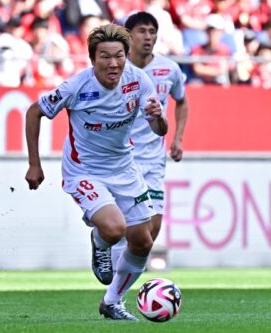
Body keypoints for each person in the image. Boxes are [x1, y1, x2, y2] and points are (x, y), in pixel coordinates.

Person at [25, 23, 168, 321]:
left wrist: (159, 118)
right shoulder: (77, 86)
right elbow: (34, 111)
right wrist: (34, 164)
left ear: (126, 56)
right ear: (92, 59)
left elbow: (158, 129)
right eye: (105, 56)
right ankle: (100, 241)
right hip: (84, 170)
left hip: (124, 168)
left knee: (143, 241)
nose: (113, 63)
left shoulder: (138, 81)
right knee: (115, 229)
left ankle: (112, 302)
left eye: (119, 55)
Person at [110, 12, 188, 268]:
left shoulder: (169, 69)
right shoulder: (116, 70)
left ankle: (121, 272)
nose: (148, 37)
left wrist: (177, 138)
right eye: (142, 31)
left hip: (153, 158)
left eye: (152, 32)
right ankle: (116, 278)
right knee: (121, 224)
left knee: (151, 229)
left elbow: (182, 101)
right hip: (122, 158)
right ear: (128, 35)